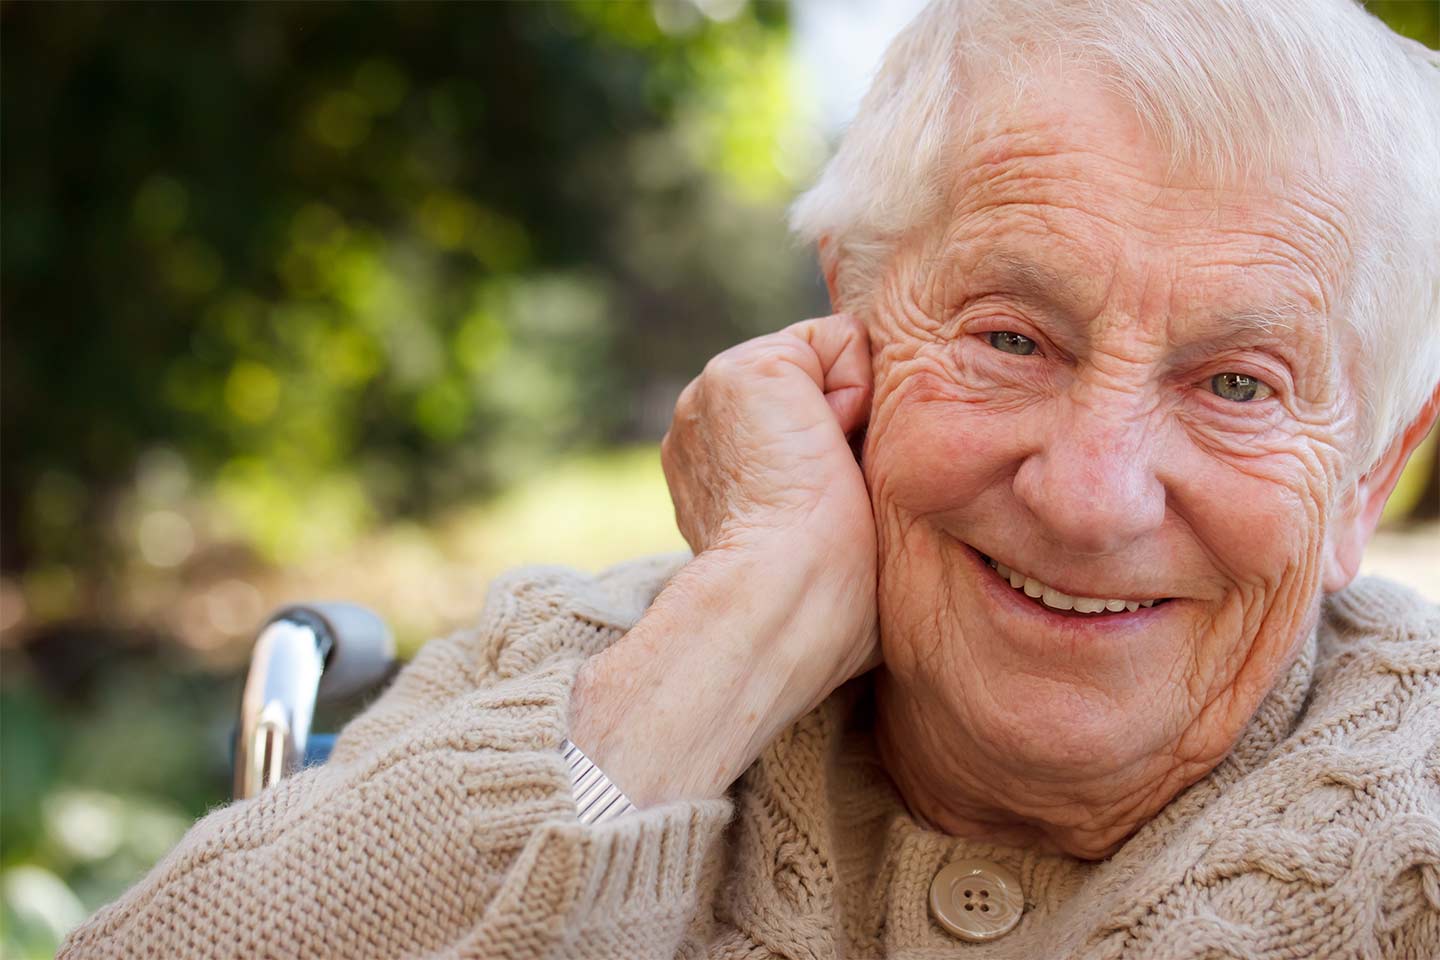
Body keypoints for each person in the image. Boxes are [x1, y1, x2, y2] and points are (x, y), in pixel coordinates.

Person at [60, 0, 1440, 957]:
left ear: (1370, 474)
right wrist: (733, 640)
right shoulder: (582, 670)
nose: (1091, 496)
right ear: (853, 318)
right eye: (1012, 339)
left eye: (1238, 385)